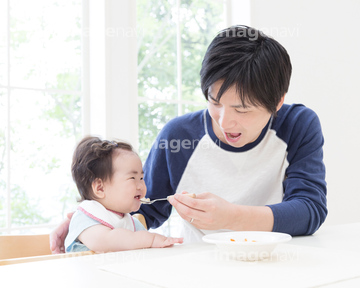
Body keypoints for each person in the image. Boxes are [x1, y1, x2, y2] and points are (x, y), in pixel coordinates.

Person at [50, 25, 327, 252]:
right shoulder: (178, 136)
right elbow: (146, 210)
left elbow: (309, 210)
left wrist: (231, 217)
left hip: (280, 263)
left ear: (277, 102)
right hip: (198, 268)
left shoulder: (298, 126)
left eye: (242, 109)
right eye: (214, 101)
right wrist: (94, 222)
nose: (224, 120)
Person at [63, 136, 183, 253]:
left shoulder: (133, 224)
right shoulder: (85, 218)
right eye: (132, 178)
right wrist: (151, 239)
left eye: (141, 178)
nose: (141, 185)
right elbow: (107, 241)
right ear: (100, 188)